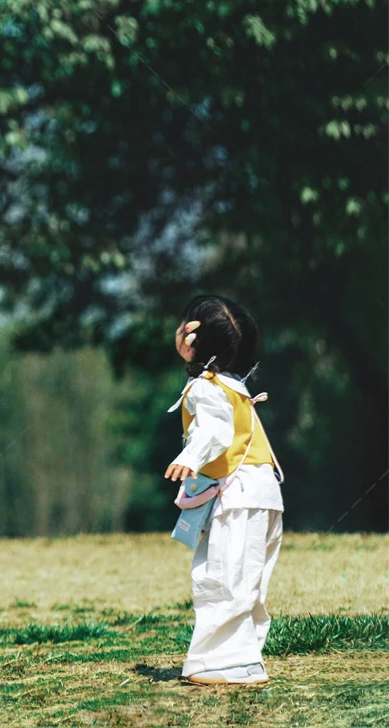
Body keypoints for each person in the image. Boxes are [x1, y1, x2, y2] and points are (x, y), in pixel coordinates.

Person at [164, 294, 284, 686]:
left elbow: (214, 430)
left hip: (238, 495)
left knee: (222, 576)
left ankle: (226, 664)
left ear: (190, 337)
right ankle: (244, 657)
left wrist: (191, 456)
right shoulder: (234, 385)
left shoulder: (205, 387)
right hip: (265, 494)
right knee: (248, 580)